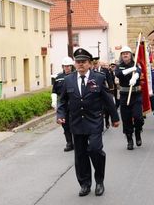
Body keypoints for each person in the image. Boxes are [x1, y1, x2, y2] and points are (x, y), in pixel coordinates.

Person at [56, 48, 120, 197]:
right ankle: (85, 184)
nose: (80, 65)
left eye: (83, 62)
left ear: (90, 63)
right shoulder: (68, 80)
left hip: (94, 121)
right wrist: (60, 114)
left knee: (95, 149)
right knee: (80, 155)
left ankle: (99, 181)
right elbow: (62, 100)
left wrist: (115, 117)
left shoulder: (98, 78)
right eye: (78, 62)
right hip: (77, 123)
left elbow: (107, 98)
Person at [115, 45, 145, 150]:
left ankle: (138, 132)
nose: (125, 55)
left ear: (130, 55)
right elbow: (118, 74)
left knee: (138, 117)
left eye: (127, 53)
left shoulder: (135, 63)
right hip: (124, 96)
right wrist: (129, 70)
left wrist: (135, 76)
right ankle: (129, 139)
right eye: (123, 54)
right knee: (126, 119)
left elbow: (139, 71)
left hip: (136, 95)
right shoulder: (119, 65)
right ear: (121, 56)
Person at [51, 56, 75, 151]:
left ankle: (77, 142)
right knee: (65, 124)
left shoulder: (75, 76)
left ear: (72, 66)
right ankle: (69, 143)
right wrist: (53, 101)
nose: (67, 68)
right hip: (63, 104)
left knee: (74, 124)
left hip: (73, 103)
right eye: (65, 66)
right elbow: (54, 91)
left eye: (68, 66)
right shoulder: (59, 78)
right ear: (62, 66)